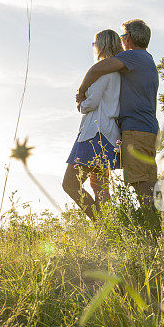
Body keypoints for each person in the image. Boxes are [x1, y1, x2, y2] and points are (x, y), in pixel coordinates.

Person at [75, 19, 159, 209]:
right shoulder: (148, 59)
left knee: (139, 181)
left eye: (122, 36)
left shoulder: (133, 57)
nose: (121, 41)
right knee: (148, 181)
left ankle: (151, 226)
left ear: (129, 37)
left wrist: (81, 92)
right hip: (148, 128)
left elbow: (97, 68)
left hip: (135, 128)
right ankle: (158, 225)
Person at [62, 29, 123, 221]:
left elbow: (91, 102)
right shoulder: (118, 72)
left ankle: (99, 223)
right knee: (100, 187)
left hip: (95, 133)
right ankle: (108, 231)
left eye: (95, 44)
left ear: (103, 45)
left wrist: (81, 101)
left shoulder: (105, 70)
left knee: (70, 184)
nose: (94, 47)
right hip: (108, 134)